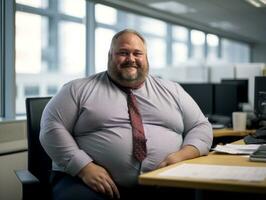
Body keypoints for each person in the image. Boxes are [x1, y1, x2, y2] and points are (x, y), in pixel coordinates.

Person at [40, 29, 213, 200]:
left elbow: (200, 126)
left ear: (146, 58)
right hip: (87, 181)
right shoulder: (77, 89)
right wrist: (84, 167)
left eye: (137, 53)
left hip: (165, 181)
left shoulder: (172, 90)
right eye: (123, 53)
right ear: (110, 56)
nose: (131, 59)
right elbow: (51, 127)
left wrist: (180, 156)